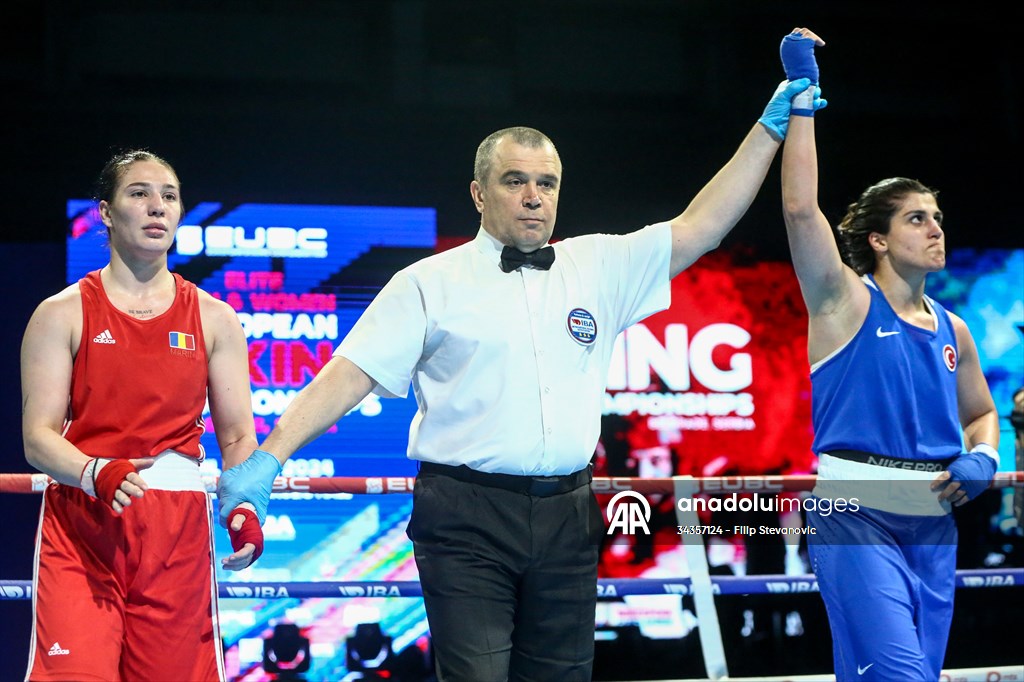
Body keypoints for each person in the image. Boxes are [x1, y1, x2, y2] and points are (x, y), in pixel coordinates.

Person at [218, 35, 825, 680]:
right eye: (515, 182)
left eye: (546, 183)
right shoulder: (429, 282)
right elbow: (349, 375)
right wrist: (267, 460)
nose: (534, 196)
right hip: (464, 513)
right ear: (479, 195)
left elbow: (702, 225)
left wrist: (769, 127)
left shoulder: (600, 265)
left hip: (568, 510)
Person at [778, 29, 1001, 681]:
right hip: (855, 506)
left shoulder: (954, 329)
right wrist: (801, 98)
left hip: (934, 519)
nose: (936, 228)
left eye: (937, 217)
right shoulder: (842, 301)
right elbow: (798, 210)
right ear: (877, 239)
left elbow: (982, 413)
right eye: (916, 219)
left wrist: (984, 453)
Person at [20, 150, 263, 681]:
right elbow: (37, 438)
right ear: (105, 212)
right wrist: (93, 471)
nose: (157, 207)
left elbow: (239, 435)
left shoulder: (215, 318)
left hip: (176, 533)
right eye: (139, 194)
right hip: (82, 525)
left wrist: (244, 506)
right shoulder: (60, 312)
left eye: (169, 196)